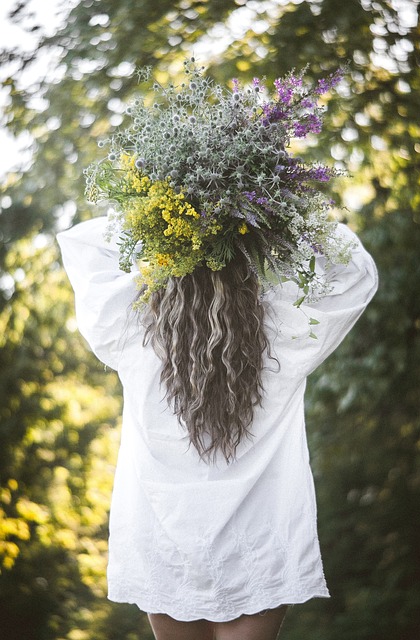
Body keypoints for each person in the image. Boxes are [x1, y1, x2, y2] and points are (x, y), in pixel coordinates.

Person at [57, 214, 377, 640]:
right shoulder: (283, 333)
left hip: (165, 537)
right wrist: (276, 212)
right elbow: (355, 269)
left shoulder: (133, 335)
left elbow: (84, 244)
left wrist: (167, 207)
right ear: (249, 266)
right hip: (260, 536)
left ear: (168, 265)